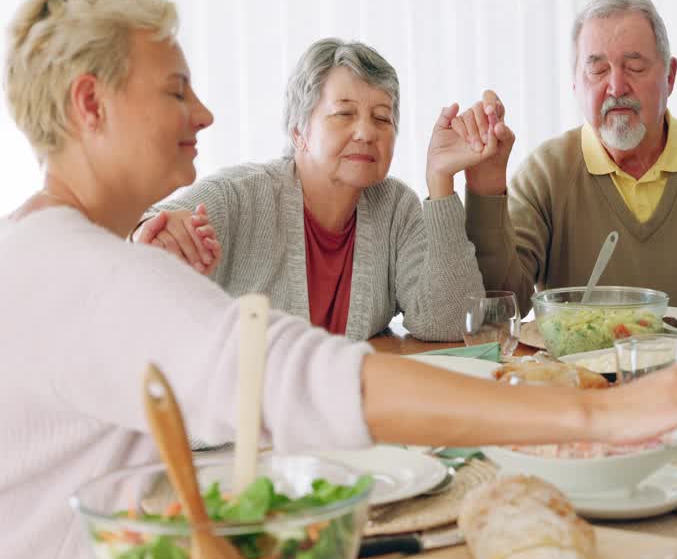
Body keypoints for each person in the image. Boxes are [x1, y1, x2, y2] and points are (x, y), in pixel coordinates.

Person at [0, 0, 677, 559]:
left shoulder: (51, 251)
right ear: (90, 105)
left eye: (380, 116)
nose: (204, 114)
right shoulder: (90, 272)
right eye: (175, 90)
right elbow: (300, 379)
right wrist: (599, 418)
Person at [131, 38, 486, 341]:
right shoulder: (239, 195)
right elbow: (138, 232)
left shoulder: (396, 207)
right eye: (344, 114)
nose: (366, 132)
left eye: (381, 118)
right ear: (299, 131)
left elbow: (451, 322)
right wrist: (146, 232)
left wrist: (441, 182)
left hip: (349, 411)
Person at [460, 0, 677, 313]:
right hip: (577, 366)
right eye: (597, 70)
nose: (616, 86)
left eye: (635, 66)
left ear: (669, 76)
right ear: (575, 84)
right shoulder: (546, 173)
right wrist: (486, 189)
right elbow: (499, 308)